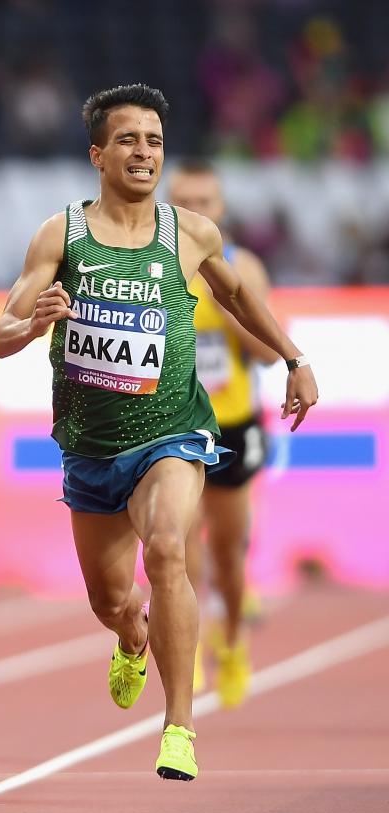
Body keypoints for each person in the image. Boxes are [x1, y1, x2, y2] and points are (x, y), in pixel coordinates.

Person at [0, 84, 318, 781]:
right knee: (111, 600)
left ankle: (180, 725)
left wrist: (293, 358)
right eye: (129, 140)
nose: (144, 152)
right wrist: (37, 321)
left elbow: (237, 296)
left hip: (172, 433)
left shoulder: (190, 233)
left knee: (170, 547)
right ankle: (132, 638)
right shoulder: (61, 235)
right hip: (90, 450)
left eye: (154, 141)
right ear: (98, 154)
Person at [168, 159, 280, 707]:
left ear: (221, 209)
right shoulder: (155, 263)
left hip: (232, 425)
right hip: (173, 427)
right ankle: (185, 648)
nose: (193, 211)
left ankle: (232, 638)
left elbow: (266, 354)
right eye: (182, 201)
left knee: (229, 557)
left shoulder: (245, 269)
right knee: (178, 542)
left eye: (204, 202)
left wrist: (223, 306)